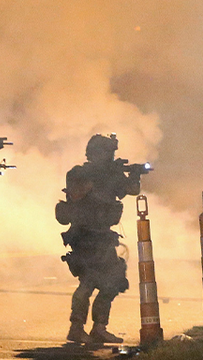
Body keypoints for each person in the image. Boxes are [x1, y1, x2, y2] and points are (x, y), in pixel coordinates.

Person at [55, 134, 144, 344]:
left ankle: (99, 327)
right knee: (88, 282)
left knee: (113, 281)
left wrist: (134, 174)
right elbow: (77, 194)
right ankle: (76, 327)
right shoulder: (79, 173)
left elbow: (133, 190)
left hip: (103, 236)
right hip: (84, 235)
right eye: (107, 153)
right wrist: (109, 174)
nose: (110, 156)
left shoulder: (110, 174)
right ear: (95, 153)